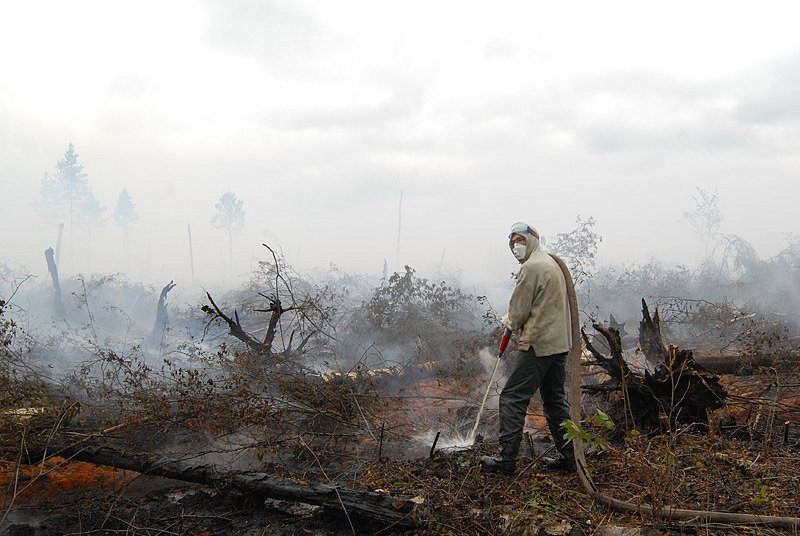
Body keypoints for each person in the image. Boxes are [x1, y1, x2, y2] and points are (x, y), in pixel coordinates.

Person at [480, 222, 576, 475]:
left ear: (532, 240)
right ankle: (570, 458)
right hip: (559, 343)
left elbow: (519, 311)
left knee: (512, 397)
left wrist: (508, 323)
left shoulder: (531, 268)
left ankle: (506, 460)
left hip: (538, 344)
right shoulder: (550, 262)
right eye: (512, 242)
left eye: (520, 240)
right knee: (555, 400)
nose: (516, 246)